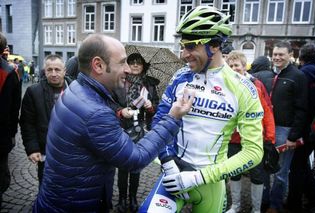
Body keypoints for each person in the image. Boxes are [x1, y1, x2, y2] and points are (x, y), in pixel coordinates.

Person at [33, 33, 194, 212]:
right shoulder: (95, 113)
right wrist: (173, 118)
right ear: (98, 65)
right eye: (122, 62)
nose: (128, 69)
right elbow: (135, 159)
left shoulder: (77, 88)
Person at [139, 6, 264, 213]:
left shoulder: (244, 88)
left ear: (214, 45)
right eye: (182, 45)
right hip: (173, 173)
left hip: (210, 182)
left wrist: (198, 177)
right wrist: (169, 164)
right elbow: (160, 119)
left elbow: (254, 152)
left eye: (190, 46)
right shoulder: (180, 76)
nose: (183, 54)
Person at [225, 51, 276, 213]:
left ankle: (256, 209)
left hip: (253, 138)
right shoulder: (225, 84)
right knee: (234, 172)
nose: (234, 68)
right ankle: (235, 206)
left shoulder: (256, 84)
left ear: (243, 66)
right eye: (230, 66)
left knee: (257, 174)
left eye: (236, 65)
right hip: (232, 138)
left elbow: (267, 111)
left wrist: (270, 137)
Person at [263, 41, 308, 213]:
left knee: (281, 172)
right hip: (266, 128)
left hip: (285, 130)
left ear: (290, 55)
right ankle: (264, 201)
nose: (277, 57)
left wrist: (293, 136)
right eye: (275, 54)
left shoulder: (298, 76)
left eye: (281, 54)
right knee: (265, 167)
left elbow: (302, 109)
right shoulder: (267, 75)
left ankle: (275, 204)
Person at [113, 53, 160, 212]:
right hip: (120, 128)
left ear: (143, 66)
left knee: (135, 164)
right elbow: (109, 103)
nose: (134, 65)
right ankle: (121, 199)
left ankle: (132, 197)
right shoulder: (118, 80)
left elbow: (156, 110)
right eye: (131, 62)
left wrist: (149, 107)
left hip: (139, 129)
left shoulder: (149, 85)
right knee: (122, 166)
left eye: (138, 62)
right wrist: (120, 111)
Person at [20, 54, 72, 186]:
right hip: (46, 151)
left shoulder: (76, 89)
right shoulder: (33, 92)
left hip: (72, 152)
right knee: (47, 187)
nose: (53, 74)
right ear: (44, 71)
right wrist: (32, 148)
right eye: (49, 70)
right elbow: (27, 123)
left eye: (57, 69)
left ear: (64, 70)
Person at [286, 44, 315, 212]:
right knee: (303, 165)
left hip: (308, 129)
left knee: (297, 167)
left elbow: (304, 104)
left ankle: (294, 203)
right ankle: (314, 199)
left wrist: (297, 131)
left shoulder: (305, 74)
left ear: (300, 57)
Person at [0, 32, 21, 209]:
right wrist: (13, 134)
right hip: (3, 135)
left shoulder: (9, 73)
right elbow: (15, 109)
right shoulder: (10, 73)